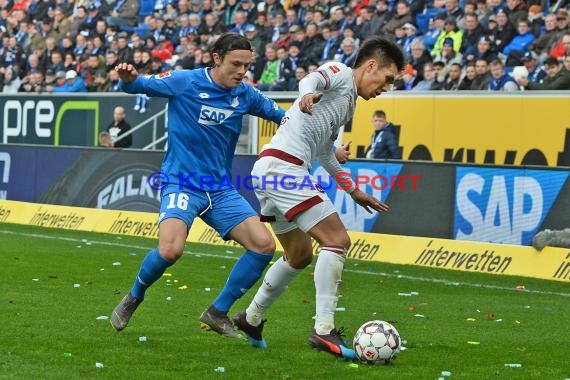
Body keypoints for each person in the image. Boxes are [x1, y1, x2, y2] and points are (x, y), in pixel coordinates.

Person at [231, 36, 404, 359]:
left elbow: (325, 152)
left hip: (269, 168)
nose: (387, 87)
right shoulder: (340, 74)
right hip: (285, 168)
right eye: (388, 78)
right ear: (370, 66)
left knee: (298, 256)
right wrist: (306, 94)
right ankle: (323, 329)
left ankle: (250, 319)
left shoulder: (347, 103)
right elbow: (312, 78)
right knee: (337, 239)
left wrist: (352, 189)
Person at [110, 33, 286, 337]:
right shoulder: (184, 81)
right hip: (181, 183)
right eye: (236, 64)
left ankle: (217, 312)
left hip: (219, 189)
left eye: (247, 65)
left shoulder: (246, 94)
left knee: (264, 246)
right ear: (216, 58)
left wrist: (322, 139)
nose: (242, 72)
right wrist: (128, 79)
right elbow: (139, 85)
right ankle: (134, 296)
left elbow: (285, 119)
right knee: (170, 251)